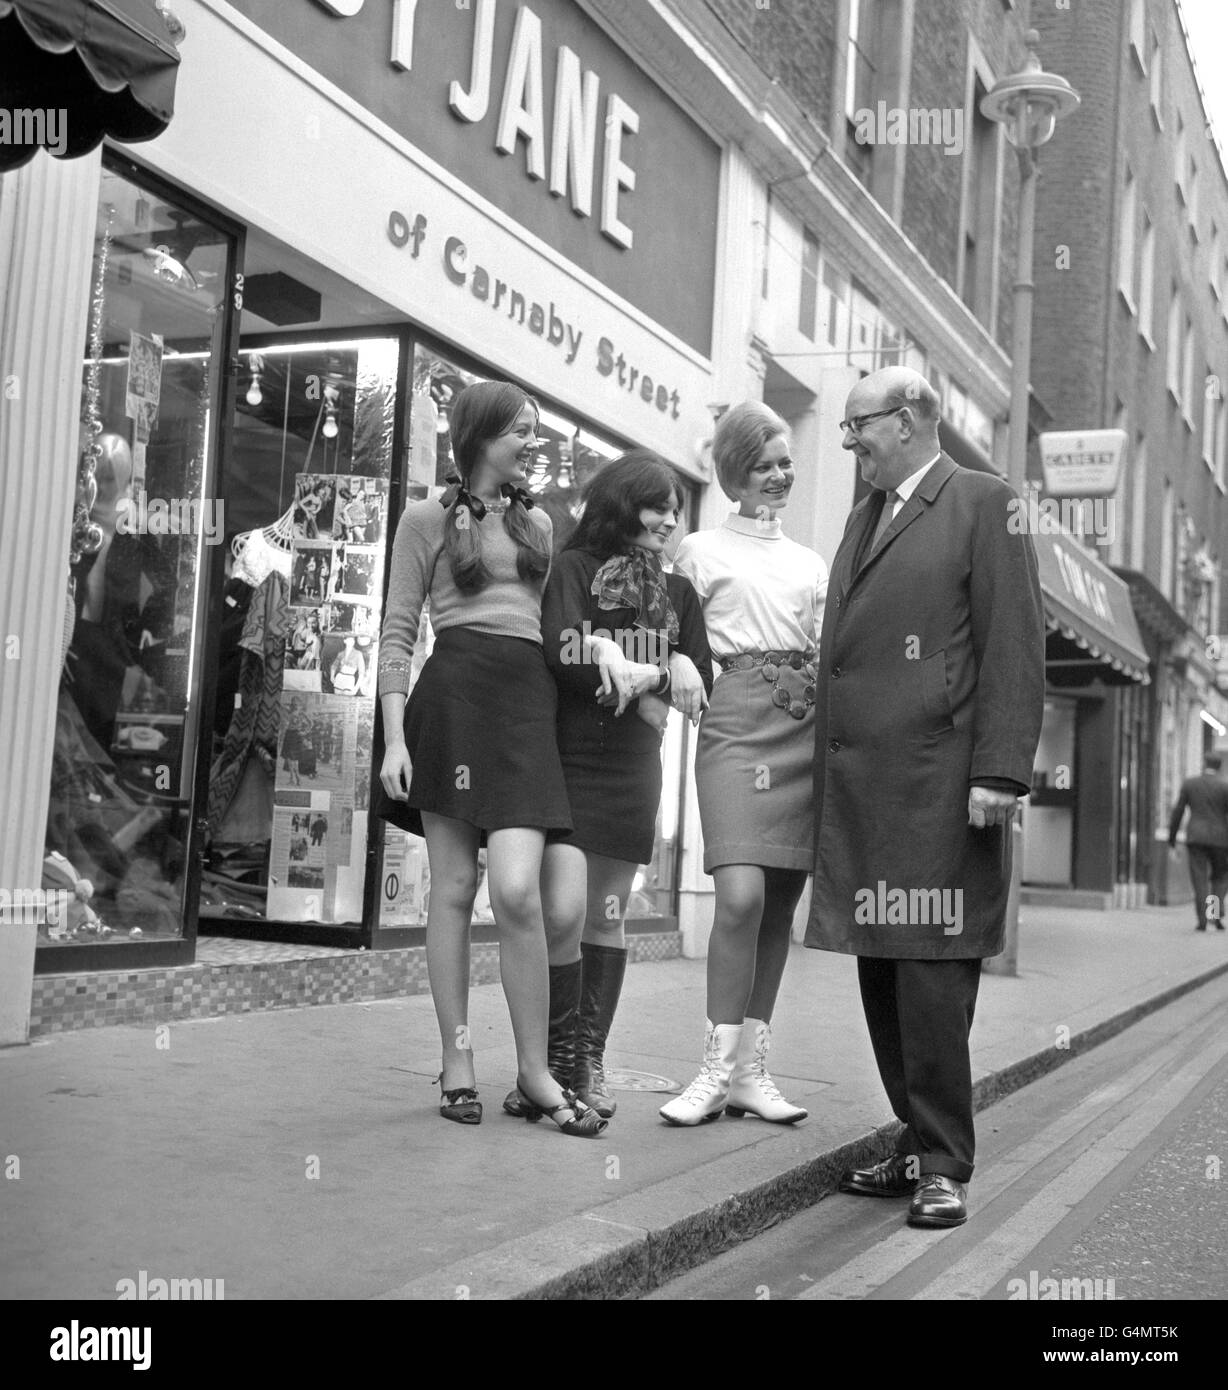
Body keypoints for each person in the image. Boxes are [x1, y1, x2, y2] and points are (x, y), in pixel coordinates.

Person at [807, 366, 1045, 1228]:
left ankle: (947, 1161)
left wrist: (1000, 771)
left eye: (857, 424)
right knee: (882, 965)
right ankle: (916, 1140)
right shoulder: (866, 513)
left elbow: (1013, 641)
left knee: (932, 971)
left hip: (944, 785)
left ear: (906, 421)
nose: (847, 441)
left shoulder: (986, 501)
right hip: (867, 784)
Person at [376, 379, 605, 1138]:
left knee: (517, 893)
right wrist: (395, 739)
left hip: (524, 710)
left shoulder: (539, 522)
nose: (532, 442)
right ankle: (459, 1060)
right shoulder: (423, 519)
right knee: (452, 888)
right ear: (480, 437)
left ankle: (535, 1072)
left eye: (536, 430)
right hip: (452, 707)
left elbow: (560, 626)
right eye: (520, 431)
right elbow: (398, 631)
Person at [503, 453, 713, 1120]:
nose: (671, 521)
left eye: (676, 511)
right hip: (566, 760)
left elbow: (701, 677)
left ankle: (583, 1063)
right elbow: (559, 647)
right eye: (659, 507)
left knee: (608, 914)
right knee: (561, 911)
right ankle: (554, 1062)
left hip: (631, 767)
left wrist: (667, 664)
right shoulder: (574, 569)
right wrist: (608, 654)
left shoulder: (677, 594)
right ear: (622, 505)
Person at [659, 402, 828, 1126]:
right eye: (763, 465)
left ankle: (751, 1075)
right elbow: (664, 631)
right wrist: (674, 662)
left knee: (777, 907)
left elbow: (827, 649)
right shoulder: (697, 551)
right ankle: (712, 1072)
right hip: (732, 717)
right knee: (740, 898)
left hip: (803, 722)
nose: (780, 475)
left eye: (786, 462)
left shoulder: (810, 562)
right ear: (734, 473)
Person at [1168, 753, 1228, 930]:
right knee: (1219, 878)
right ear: (1220, 767)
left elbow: (1178, 811)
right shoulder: (1224, 787)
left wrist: (1172, 838)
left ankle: (1202, 920)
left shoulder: (1190, 784)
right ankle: (1214, 916)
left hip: (1196, 837)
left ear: (1204, 764)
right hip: (1220, 839)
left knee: (1199, 878)